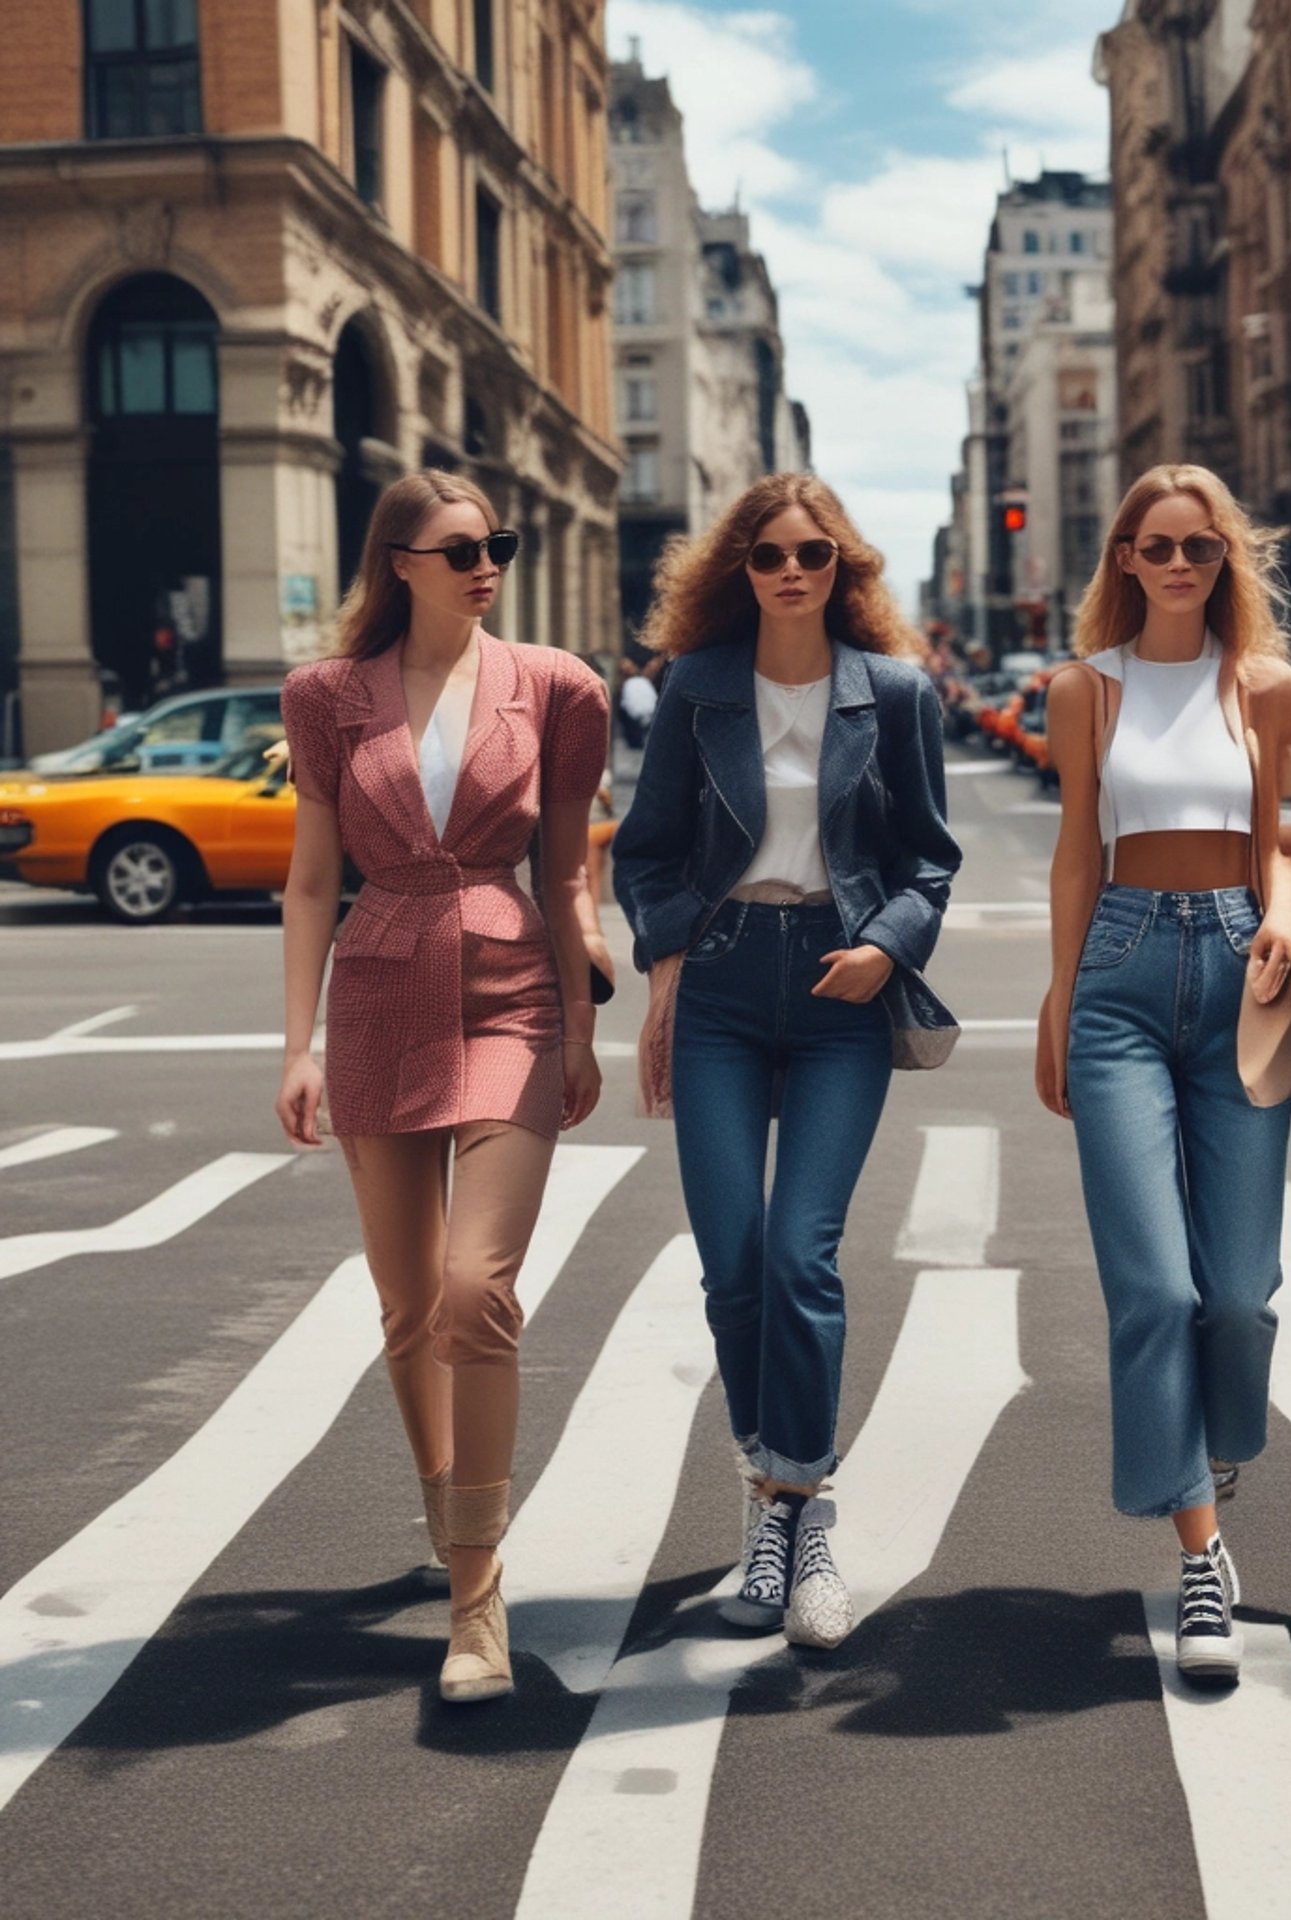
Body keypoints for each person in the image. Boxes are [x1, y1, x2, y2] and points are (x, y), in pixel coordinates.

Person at [274, 469, 611, 1705]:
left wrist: (580, 1026)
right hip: (372, 992)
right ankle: (444, 1503)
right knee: (409, 1306)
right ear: (400, 563)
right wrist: (297, 1044)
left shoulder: (558, 687)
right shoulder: (325, 697)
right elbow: (313, 881)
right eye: (463, 548)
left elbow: (570, 871)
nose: (489, 566)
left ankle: (478, 1597)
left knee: (477, 1290)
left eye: (500, 546)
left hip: (513, 988)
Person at [612, 473, 961, 1651]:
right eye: (769, 556)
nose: (793, 572)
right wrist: (665, 966)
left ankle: (799, 1517)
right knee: (735, 1265)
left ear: (843, 568)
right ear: (741, 571)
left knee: (803, 1253)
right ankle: (772, 1482)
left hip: (837, 989)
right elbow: (647, 854)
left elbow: (930, 861)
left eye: (814, 554)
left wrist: (884, 946)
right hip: (718, 982)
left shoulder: (897, 694)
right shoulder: (697, 690)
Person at [1036, 464, 1291, 1683]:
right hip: (1123, 978)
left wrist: (1286, 921)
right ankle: (1198, 1553)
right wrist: (1058, 999)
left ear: (1227, 558)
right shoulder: (1085, 689)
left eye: (1201, 546)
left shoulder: (1267, 689)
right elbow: (1074, 852)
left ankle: (1211, 1437)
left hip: (1241, 966)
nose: (1181, 563)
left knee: (1239, 1296)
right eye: (1158, 546)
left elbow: (1280, 846)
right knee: (1156, 1290)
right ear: (1126, 560)